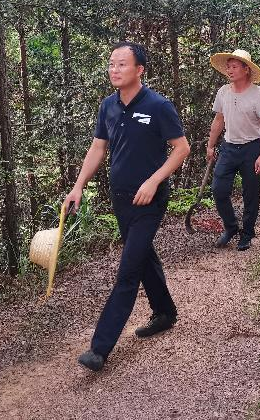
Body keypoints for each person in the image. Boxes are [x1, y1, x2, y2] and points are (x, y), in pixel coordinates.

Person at [62, 42, 190, 372]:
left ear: (139, 70)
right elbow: (98, 148)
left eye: (121, 64)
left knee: (128, 270)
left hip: (149, 200)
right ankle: (165, 313)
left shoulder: (158, 105)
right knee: (142, 255)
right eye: (111, 64)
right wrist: (78, 186)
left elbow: (181, 148)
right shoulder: (108, 106)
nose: (114, 70)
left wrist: (153, 181)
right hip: (121, 199)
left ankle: (99, 348)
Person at [207, 49, 260, 251]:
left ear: (246, 69)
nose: (230, 70)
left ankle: (247, 232)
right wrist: (210, 145)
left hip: (251, 148)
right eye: (228, 67)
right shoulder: (223, 92)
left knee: (250, 193)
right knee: (218, 189)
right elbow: (219, 119)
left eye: (234, 66)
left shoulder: (259, 94)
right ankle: (231, 226)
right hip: (228, 147)